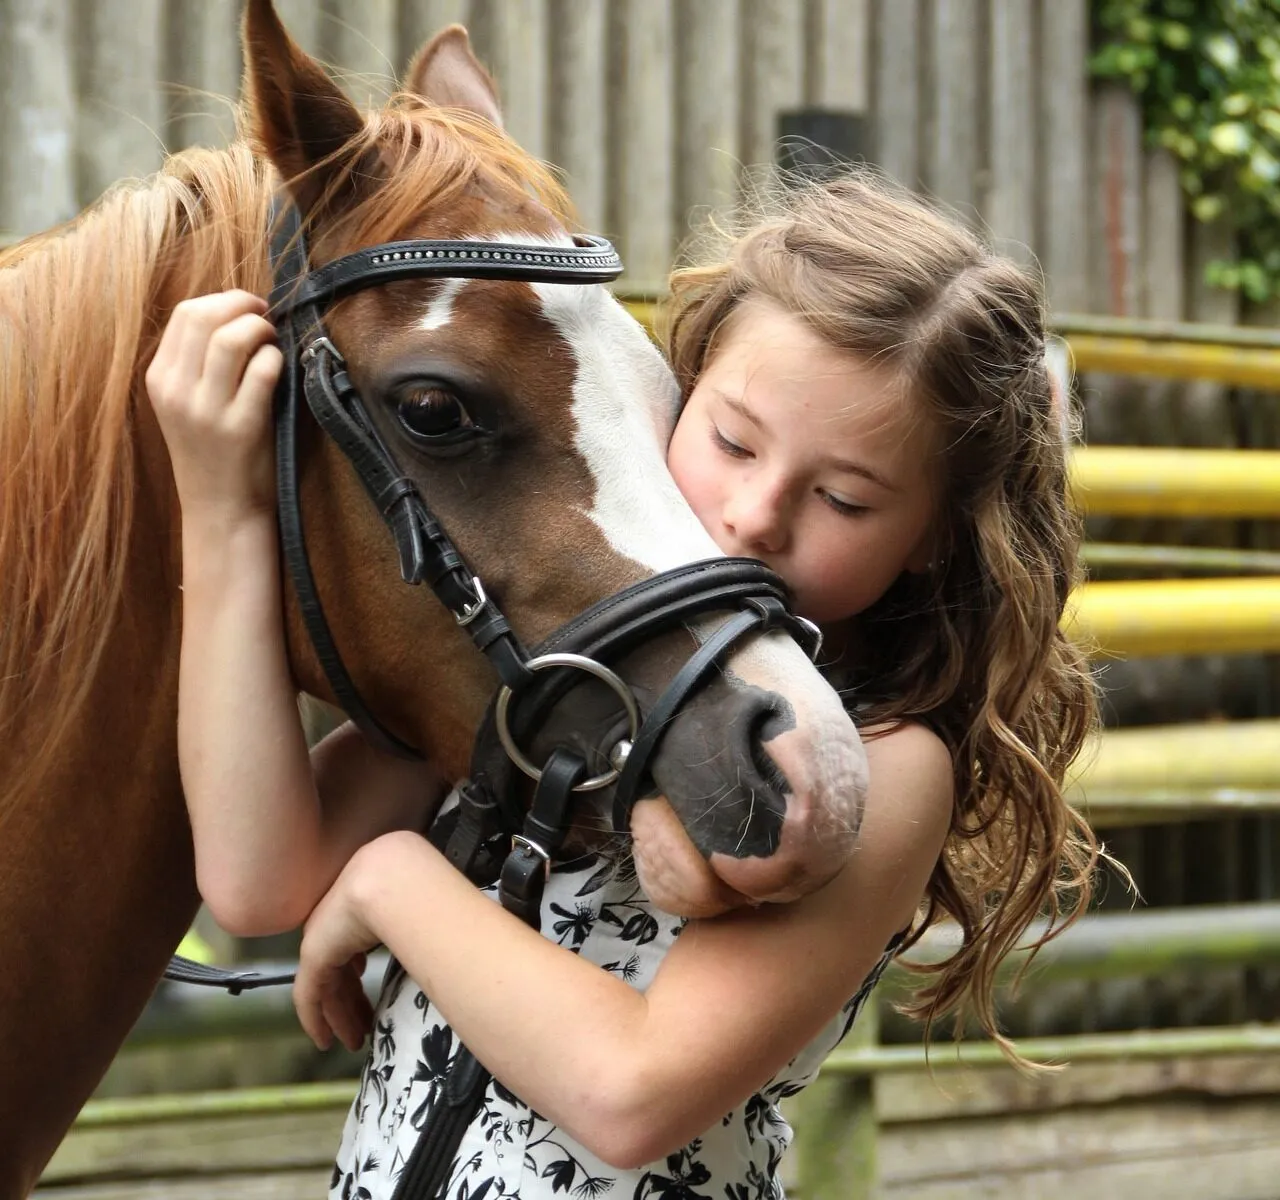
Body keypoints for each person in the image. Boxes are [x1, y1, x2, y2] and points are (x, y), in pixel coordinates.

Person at [145, 170, 1100, 1198]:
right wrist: (222, 506)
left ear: (933, 538)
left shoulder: (883, 760)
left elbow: (632, 1093)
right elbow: (258, 876)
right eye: (729, 439)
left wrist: (390, 882)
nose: (751, 514)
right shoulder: (541, 676)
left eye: (840, 498)